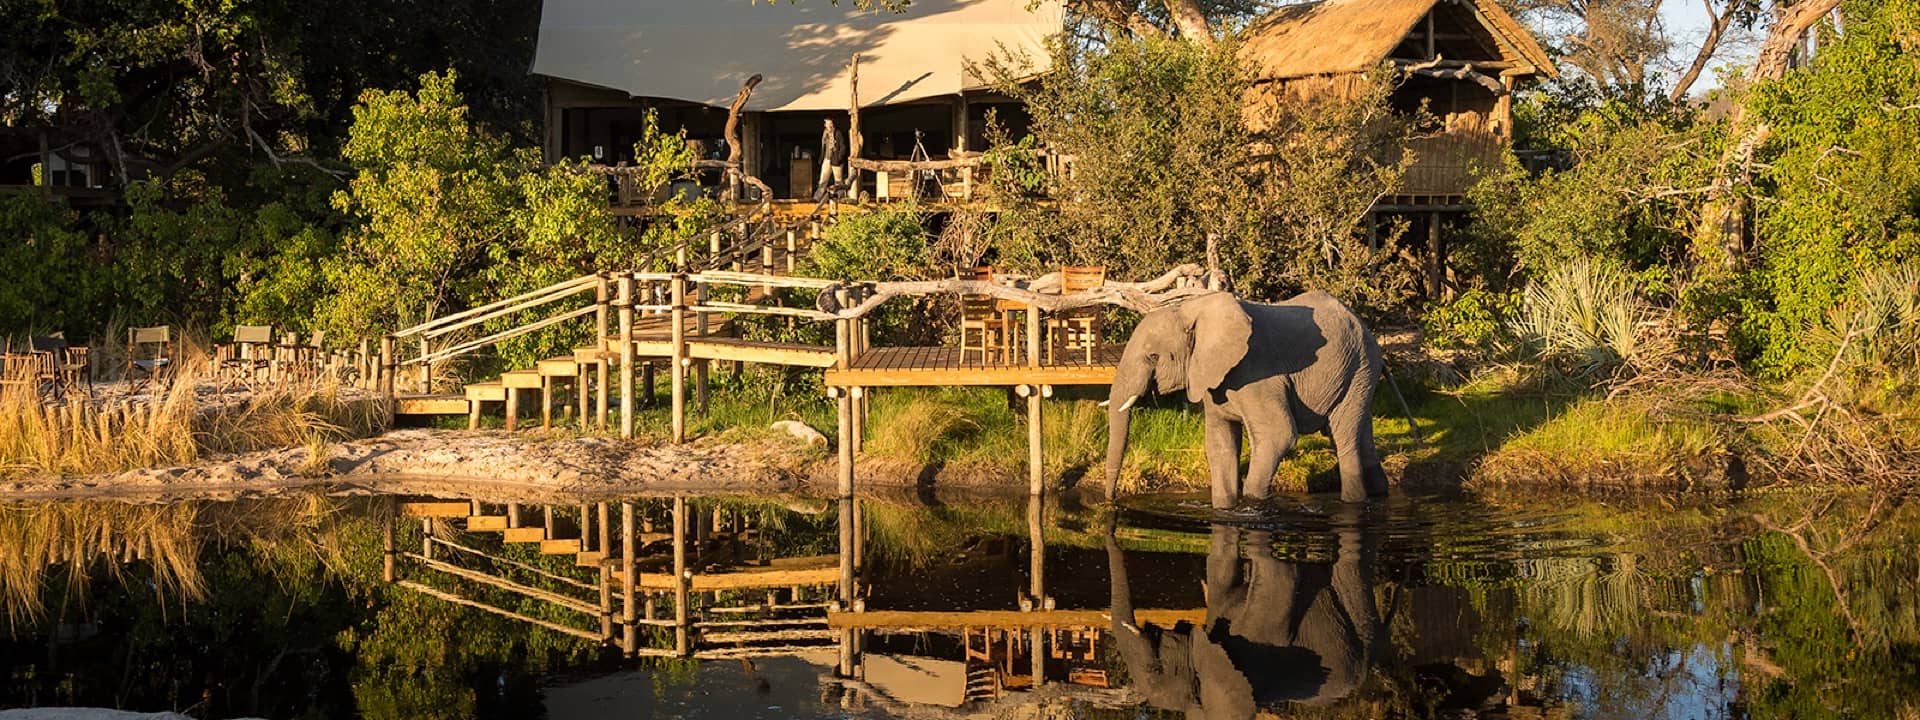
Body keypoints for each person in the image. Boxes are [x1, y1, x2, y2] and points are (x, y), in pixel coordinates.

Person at [815, 118, 848, 201]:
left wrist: (839, 158)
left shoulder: (837, 133)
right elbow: (823, 147)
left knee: (838, 181)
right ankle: (817, 197)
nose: (829, 125)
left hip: (836, 160)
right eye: (827, 123)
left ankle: (841, 197)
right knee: (823, 179)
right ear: (825, 125)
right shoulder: (825, 134)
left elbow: (843, 147)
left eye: (830, 123)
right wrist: (821, 158)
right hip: (827, 159)